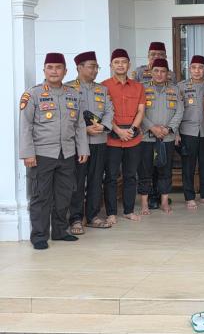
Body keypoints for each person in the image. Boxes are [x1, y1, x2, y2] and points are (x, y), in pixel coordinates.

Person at [19, 53, 90, 250]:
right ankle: (39, 236)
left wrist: (83, 148)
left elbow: (79, 125)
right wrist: (27, 153)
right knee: (41, 196)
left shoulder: (73, 94)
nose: (54, 71)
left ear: (65, 71)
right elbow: (25, 125)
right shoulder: (32, 94)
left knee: (64, 194)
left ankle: (59, 231)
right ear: (44, 70)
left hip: (67, 153)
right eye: (50, 67)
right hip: (42, 154)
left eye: (58, 67)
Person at [65, 51, 114, 234]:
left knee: (96, 179)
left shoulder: (102, 89)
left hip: (99, 140)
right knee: (77, 181)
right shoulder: (68, 88)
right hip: (78, 143)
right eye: (91, 66)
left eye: (96, 67)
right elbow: (66, 117)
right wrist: (84, 129)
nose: (95, 70)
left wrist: (103, 126)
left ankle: (92, 216)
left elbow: (109, 110)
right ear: (79, 67)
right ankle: (76, 219)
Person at [102, 49, 146, 222]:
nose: (120, 65)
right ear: (111, 65)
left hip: (133, 138)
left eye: (124, 62)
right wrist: (118, 131)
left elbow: (141, 110)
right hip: (112, 138)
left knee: (130, 176)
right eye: (116, 62)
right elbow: (103, 112)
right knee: (111, 177)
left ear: (129, 65)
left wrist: (132, 130)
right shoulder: (103, 86)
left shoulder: (138, 86)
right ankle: (111, 213)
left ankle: (128, 210)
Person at [140, 58, 184, 215]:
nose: (159, 74)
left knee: (165, 171)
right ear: (151, 72)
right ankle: (144, 203)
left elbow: (179, 111)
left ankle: (164, 201)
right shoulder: (142, 88)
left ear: (168, 73)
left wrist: (169, 128)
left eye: (163, 71)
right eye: (156, 71)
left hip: (167, 137)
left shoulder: (175, 89)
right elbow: (139, 112)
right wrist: (152, 127)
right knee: (145, 170)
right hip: (147, 137)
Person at [177, 55, 204, 210]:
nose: (197, 71)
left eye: (200, 67)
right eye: (194, 67)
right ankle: (189, 197)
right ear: (189, 69)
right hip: (187, 131)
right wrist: (176, 133)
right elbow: (176, 111)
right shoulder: (181, 86)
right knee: (188, 166)